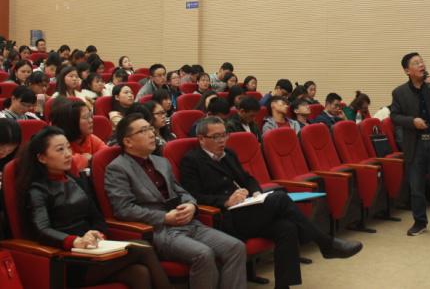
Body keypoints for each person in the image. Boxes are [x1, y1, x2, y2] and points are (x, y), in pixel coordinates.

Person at [181, 117, 363, 289]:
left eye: (224, 135)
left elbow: (248, 179)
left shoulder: (229, 154)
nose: (222, 140)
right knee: (280, 197)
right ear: (201, 139)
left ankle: (283, 286)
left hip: (246, 210)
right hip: (224, 219)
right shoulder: (191, 161)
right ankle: (325, 243)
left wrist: (255, 193)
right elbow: (194, 196)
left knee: (286, 228)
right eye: (216, 137)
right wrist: (226, 201)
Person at [14, 126, 172, 289]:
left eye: (68, 147)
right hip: (66, 259)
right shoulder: (37, 190)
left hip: (93, 251)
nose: (68, 154)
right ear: (42, 158)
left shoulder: (75, 180)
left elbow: (96, 217)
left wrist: (98, 234)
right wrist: (74, 241)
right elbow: (42, 230)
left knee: (139, 273)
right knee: (144, 248)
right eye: (60, 150)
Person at [105, 113, 247, 289]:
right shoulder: (117, 168)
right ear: (128, 141)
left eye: (150, 129)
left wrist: (191, 205)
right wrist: (165, 218)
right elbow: (124, 209)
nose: (151, 134)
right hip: (159, 229)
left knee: (236, 247)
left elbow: (181, 191)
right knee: (203, 254)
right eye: (143, 131)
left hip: (187, 222)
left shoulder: (161, 162)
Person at [391, 52, 430, 239]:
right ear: (407, 70)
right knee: (416, 188)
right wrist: (412, 121)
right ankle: (419, 223)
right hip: (415, 145)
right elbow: (394, 116)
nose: (421, 65)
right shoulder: (399, 92)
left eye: (422, 61)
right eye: (416, 63)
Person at [50, 99, 107, 171]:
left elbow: (107, 156)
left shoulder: (90, 138)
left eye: (90, 115)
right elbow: (60, 164)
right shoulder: (56, 142)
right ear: (71, 122)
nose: (91, 120)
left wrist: (92, 159)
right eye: (85, 117)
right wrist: (85, 159)